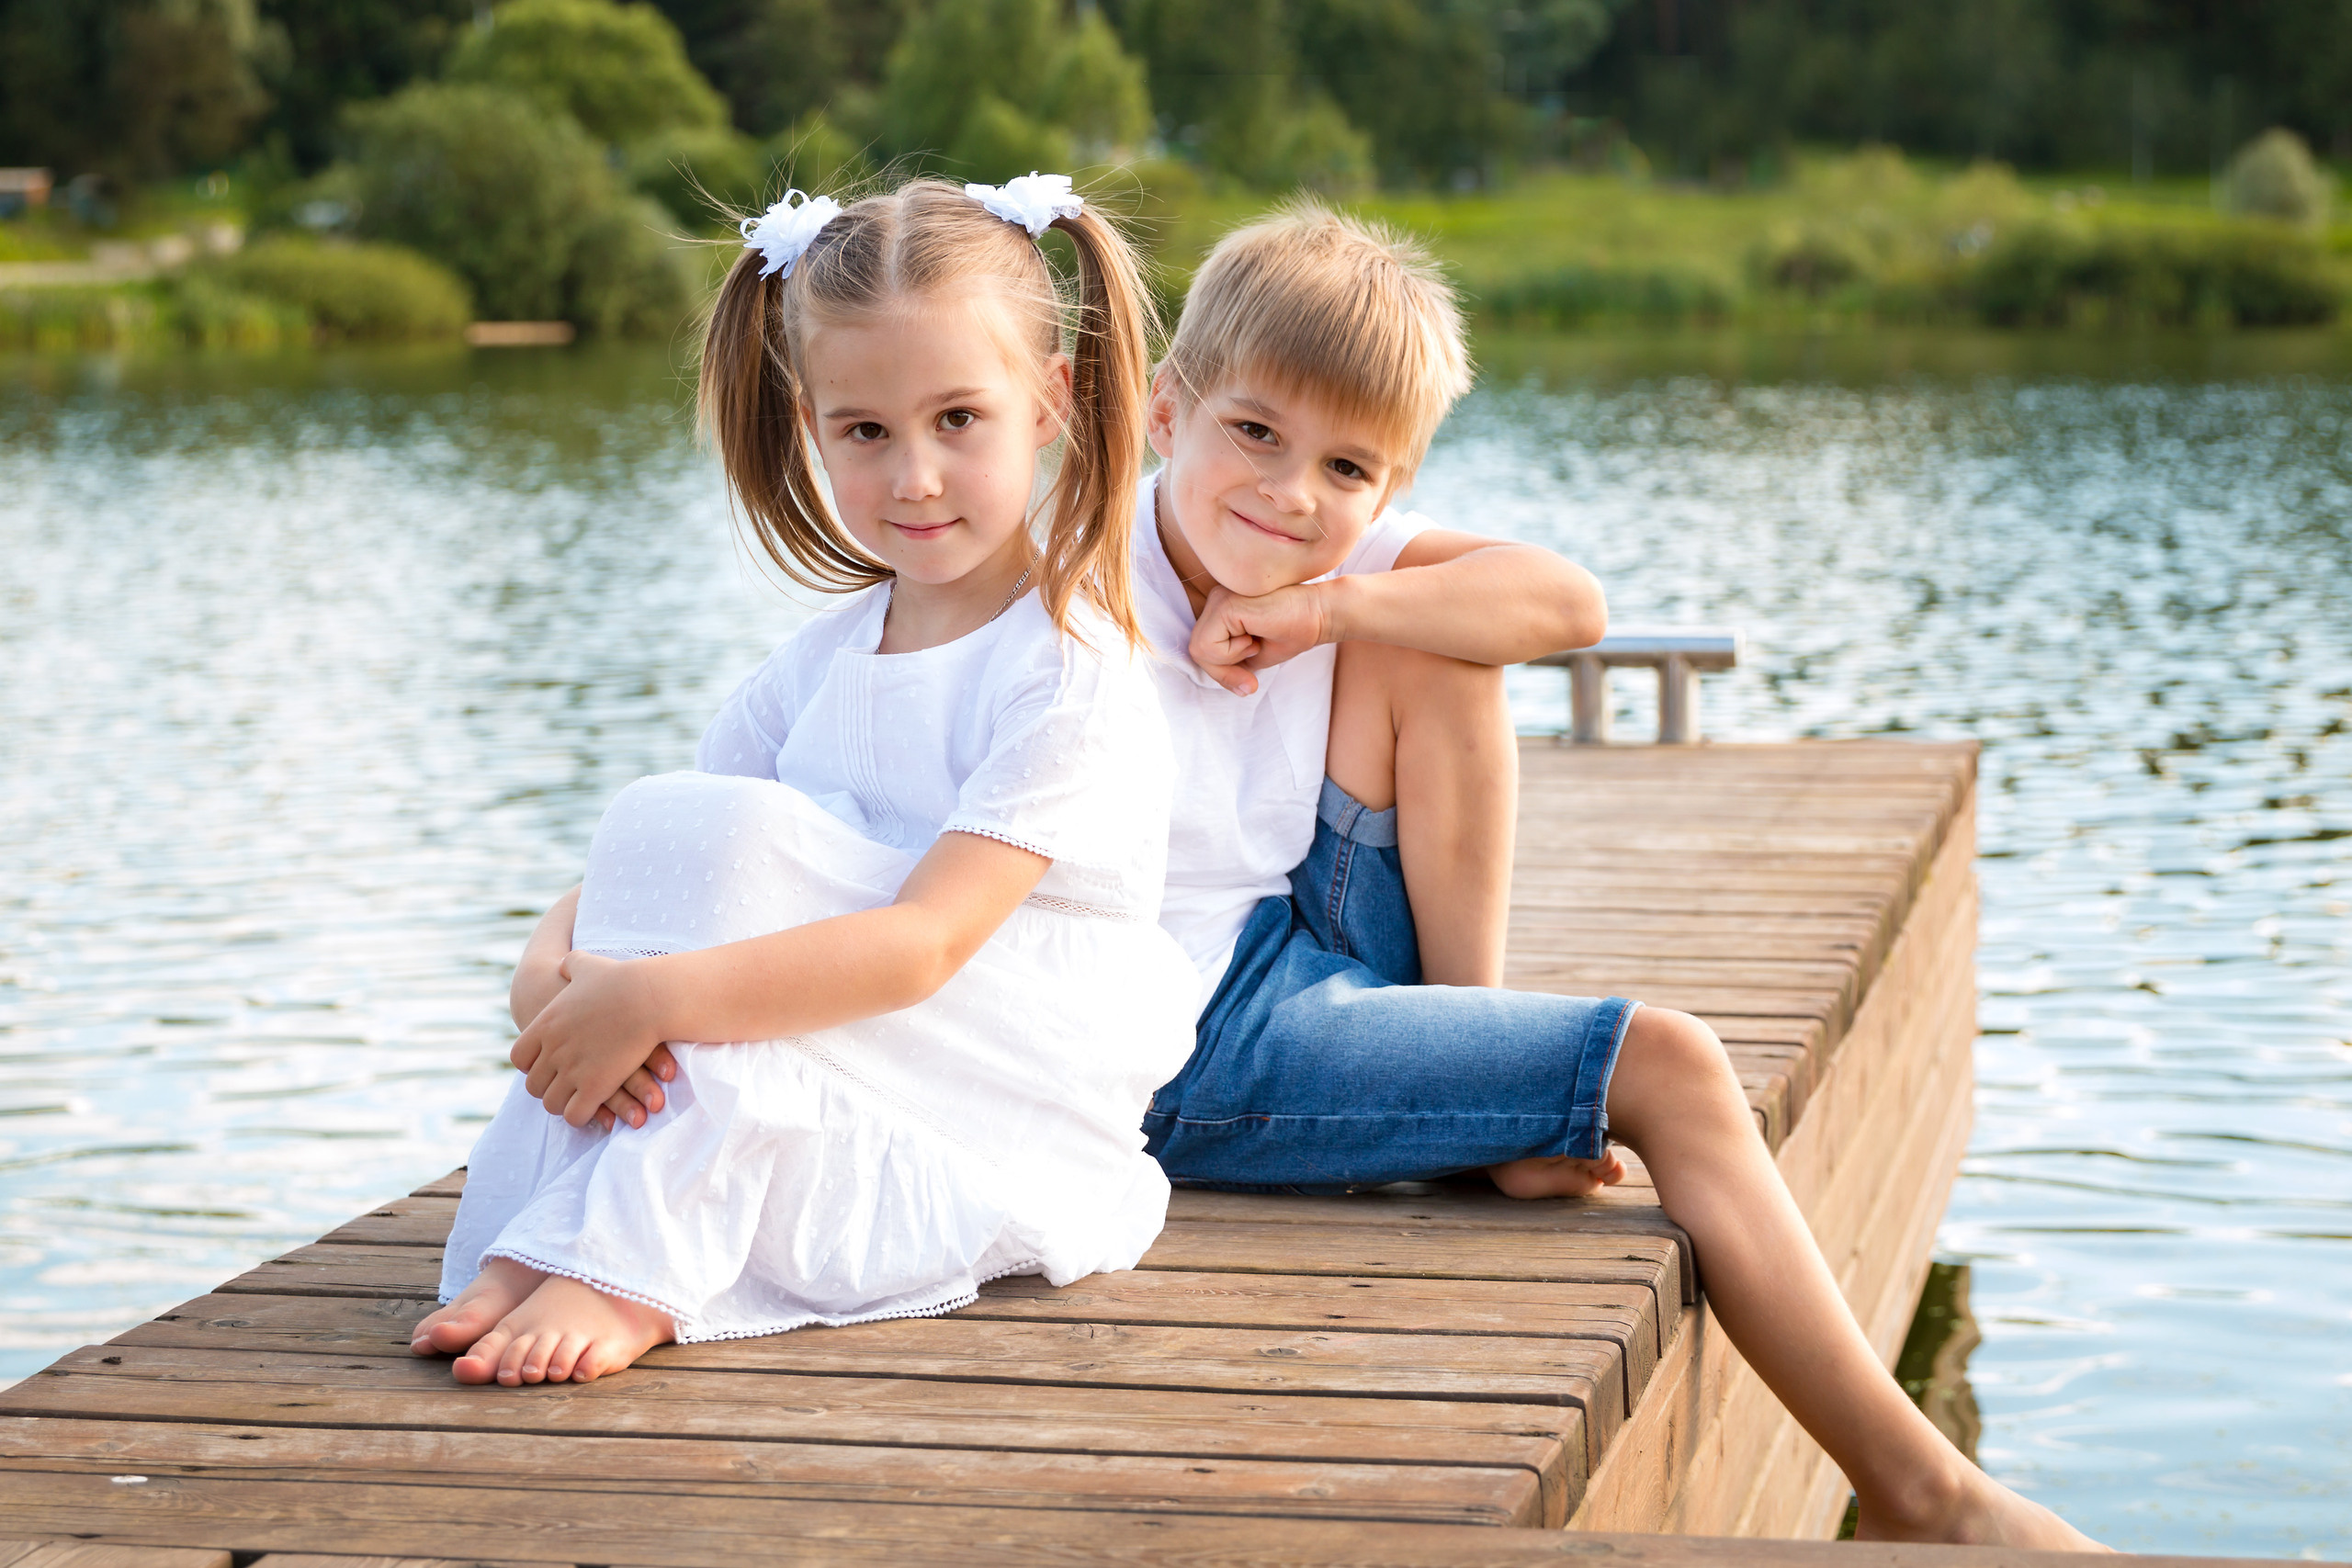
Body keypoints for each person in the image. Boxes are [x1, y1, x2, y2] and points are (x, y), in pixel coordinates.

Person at [1129, 201, 2104, 1552]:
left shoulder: (1327, 564)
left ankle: (1482, 1080)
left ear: (1388, 486)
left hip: (1283, 937)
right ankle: (1925, 1495)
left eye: (1346, 467)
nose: (1292, 494)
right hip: (1180, 1038)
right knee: (1675, 1065)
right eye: (1254, 433)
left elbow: (1569, 605)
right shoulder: (1076, 577)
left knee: (1446, 639)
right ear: (1165, 411)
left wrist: (1328, 608)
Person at [409, 174, 1197, 1388]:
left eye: (958, 419)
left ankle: (632, 1256)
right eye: (865, 432)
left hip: (1002, 1077)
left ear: (1048, 403)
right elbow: (666, 858)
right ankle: (567, 1223)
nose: (914, 476)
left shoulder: (1064, 675)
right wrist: (551, 965)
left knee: (725, 927)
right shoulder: (819, 665)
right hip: (859, 1027)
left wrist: (654, 996)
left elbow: (925, 945)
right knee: (679, 823)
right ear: (810, 424)